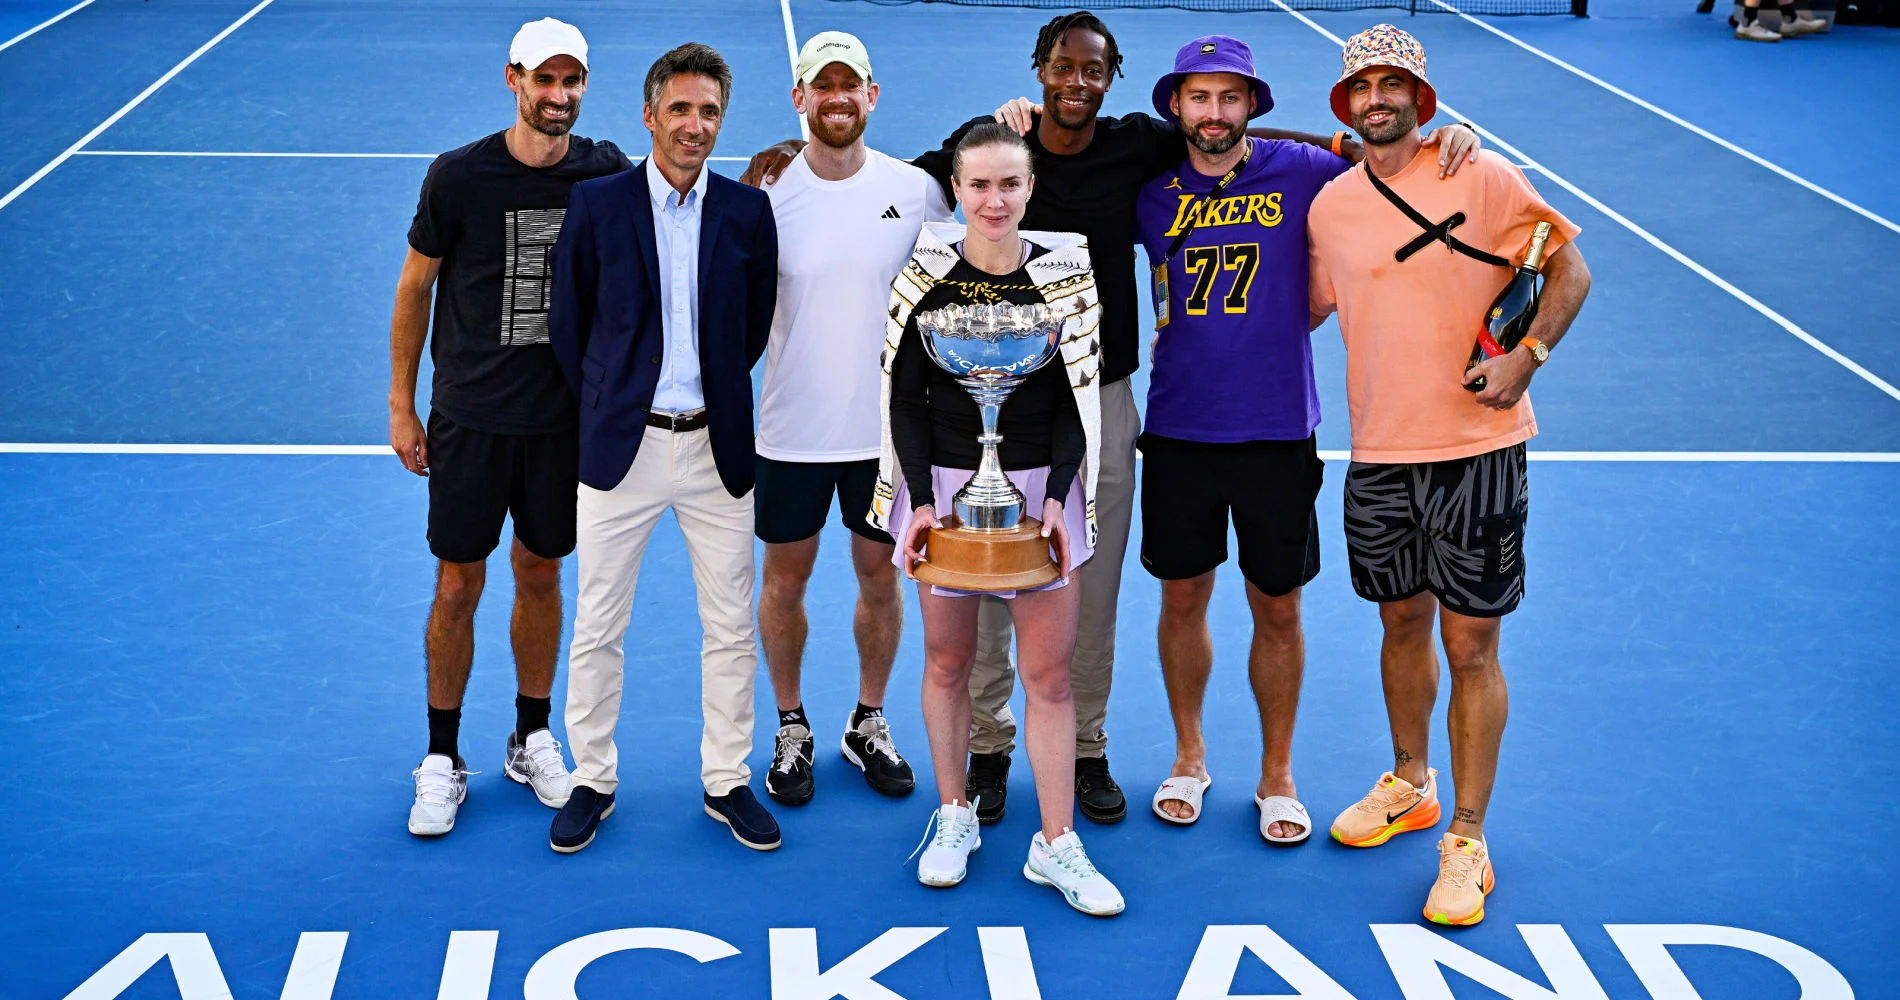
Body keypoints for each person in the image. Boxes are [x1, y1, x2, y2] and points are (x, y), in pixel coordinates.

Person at [747, 11, 1476, 828]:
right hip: (989, 402)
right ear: (1041, 70)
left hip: (1102, 398)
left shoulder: (1142, 147)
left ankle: (1086, 744)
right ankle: (989, 746)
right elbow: (881, 179)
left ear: (1112, 80)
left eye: (1093, 70)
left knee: (1084, 586)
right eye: (1063, 67)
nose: (1077, 82)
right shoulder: (995, 146)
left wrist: (1361, 147)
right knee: (982, 584)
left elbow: (1241, 139)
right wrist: (789, 157)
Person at [1133, 37, 1476, 842]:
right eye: (1198, 97)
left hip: (1279, 426)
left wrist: (1445, 139)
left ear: (1254, 103)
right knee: (1181, 597)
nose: (1213, 113)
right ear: (1176, 106)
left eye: (1230, 97)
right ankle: (1189, 756)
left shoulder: (1307, 169)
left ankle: (1277, 774)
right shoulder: (1146, 189)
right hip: (1179, 426)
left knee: (1277, 607)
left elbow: (1390, 163)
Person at [1307, 25, 1591, 926]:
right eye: (1364, 86)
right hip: (1380, 453)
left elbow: (1570, 268)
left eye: (1396, 85)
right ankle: (1410, 781)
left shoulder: (1484, 174)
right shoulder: (1330, 207)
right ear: (1346, 103)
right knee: (1400, 626)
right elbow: (1305, 302)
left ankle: (1466, 838)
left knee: (1471, 646)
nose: (1379, 98)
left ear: (1421, 100)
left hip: (1476, 448)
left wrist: (1529, 357)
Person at [870, 124, 1122, 916]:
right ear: (956, 188)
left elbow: (1080, 399)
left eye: (1009, 184)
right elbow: (904, 399)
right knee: (946, 664)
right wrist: (916, 501)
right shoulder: (923, 277)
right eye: (978, 185)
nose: (994, 200)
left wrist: (1056, 496)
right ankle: (954, 816)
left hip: (1044, 493)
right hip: (945, 490)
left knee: (1048, 676)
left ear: (1030, 188)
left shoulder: (1068, 277)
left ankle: (1056, 842)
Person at [390, 17, 630, 837]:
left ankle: (531, 736)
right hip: (470, 419)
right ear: (513, 79)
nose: (558, 96)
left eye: (572, 82)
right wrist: (401, 403)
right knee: (458, 584)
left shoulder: (604, 172)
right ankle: (441, 757)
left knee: (540, 574)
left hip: (561, 426)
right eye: (544, 80)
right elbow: (415, 288)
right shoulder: (457, 178)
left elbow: (677, 208)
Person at [543, 42, 780, 854]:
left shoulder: (748, 212)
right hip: (622, 452)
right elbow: (570, 325)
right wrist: (615, 403)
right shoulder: (598, 204)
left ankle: (727, 780)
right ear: (650, 115)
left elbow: (748, 330)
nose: (695, 125)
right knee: (599, 623)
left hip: (719, 453)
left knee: (728, 627)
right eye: (680, 109)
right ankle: (592, 778)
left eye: (709, 111)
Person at [747, 31, 953, 808]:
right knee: (785, 582)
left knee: (879, 578)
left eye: (850, 85)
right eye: (820, 86)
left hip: (886, 439)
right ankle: (791, 723)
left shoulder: (917, 191)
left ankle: (867, 720)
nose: (836, 97)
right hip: (792, 434)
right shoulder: (765, 193)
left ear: (872, 96)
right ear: (800, 99)